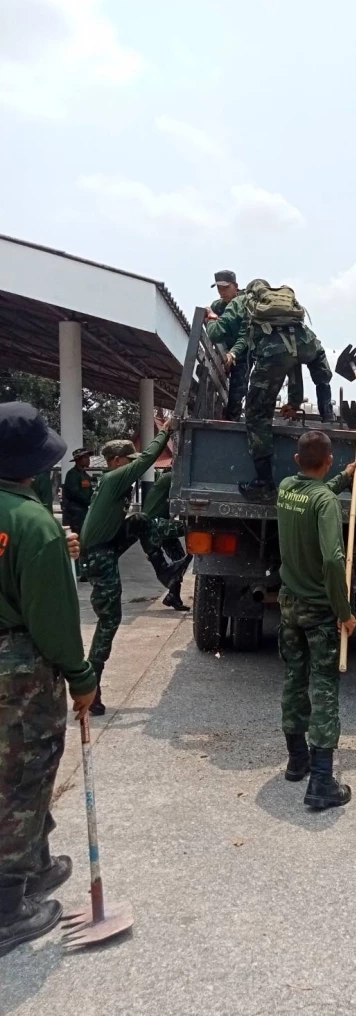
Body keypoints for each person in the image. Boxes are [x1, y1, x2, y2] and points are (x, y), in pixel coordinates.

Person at [0, 403, 96, 957]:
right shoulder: (33, 522)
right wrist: (80, 676)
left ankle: (33, 864)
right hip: (19, 670)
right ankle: (8, 906)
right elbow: (54, 618)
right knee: (24, 774)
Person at [80, 422, 187, 716]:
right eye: (127, 460)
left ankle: (165, 570)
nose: (130, 466)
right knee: (109, 620)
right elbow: (146, 459)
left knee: (140, 521)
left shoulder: (112, 480)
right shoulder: (115, 477)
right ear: (116, 461)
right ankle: (92, 685)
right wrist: (165, 431)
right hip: (100, 556)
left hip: (109, 543)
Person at [276, 430, 356, 809]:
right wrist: (344, 612)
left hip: (289, 602)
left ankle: (297, 762)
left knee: (295, 678)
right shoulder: (325, 503)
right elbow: (332, 560)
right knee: (323, 687)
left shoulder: (285, 489)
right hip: (319, 609)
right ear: (326, 460)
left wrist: (343, 478)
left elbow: (311, 491)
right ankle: (322, 782)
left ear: (297, 461)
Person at [229, 281, 334, 502]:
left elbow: (280, 358)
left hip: (273, 352)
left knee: (256, 414)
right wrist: (295, 403)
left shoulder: (250, 304)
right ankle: (328, 415)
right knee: (320, 375)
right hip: (308, 342)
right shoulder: (290, 313)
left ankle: (264, 483)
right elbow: (294, 360)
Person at [140, 470, 190, 611]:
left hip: (159, 524)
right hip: (154, 524)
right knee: (193, 529)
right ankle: (171, 587)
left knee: (180, 559)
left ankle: (173, 596)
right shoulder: (172, 477)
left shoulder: (170, 479)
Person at [206, 270, 249, 422]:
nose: (221, 292)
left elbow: (246, 336)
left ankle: (232, 420)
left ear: (235, 286)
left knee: (237, 394)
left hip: (243, 354)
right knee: (210, 387)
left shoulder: (245, 304)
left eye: (225, 287)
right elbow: (215, 334)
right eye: (219, 288)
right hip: (222, 354)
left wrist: (233, 354)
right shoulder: (217, 306)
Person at [61, 447, 93, 582]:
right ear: (79, 460)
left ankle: (84, 570)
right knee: (75, 541)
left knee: (84, 541)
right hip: (74, 513)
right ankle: (75, 570)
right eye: (86, 457)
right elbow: (75, 493)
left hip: (83, 512)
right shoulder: (72, 475)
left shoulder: (85, 476)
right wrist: (88, 499)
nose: (88, 460)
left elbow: (90, 492)